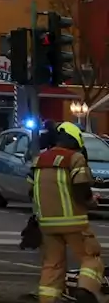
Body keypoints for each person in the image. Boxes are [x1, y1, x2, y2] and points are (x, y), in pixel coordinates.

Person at [28, 122, 102, 303]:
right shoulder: (75, 158)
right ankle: (85, 291)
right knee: (91, 259)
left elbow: (31, 191)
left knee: (53, 265)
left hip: (47, 224)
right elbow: (81, 188)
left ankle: (47, 299)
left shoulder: (39, 160)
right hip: (74, 222)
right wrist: (91, 201)